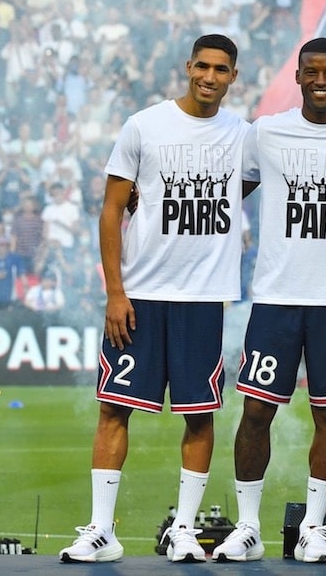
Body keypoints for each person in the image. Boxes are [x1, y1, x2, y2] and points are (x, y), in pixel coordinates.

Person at [59, 34, 249, 564]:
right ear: (188, 67)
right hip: (140, 295)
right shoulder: (144, 125)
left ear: (235, 77)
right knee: (114, 409)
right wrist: (114, 292)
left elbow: (264, 172)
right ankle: (101, 530)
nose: (210, 76)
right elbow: (110, 209)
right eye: (202, 66)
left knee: (199, 414)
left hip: (203, 297)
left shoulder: (244, 135)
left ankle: (184, 529)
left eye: (222, 69)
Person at [211, 38, 326, 563]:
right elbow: (228, 190)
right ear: (297, 77)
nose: (320, 79)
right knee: (255, 412)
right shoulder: (265, 132)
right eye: (311, 71)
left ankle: (314, 527)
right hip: (276, 298)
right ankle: (248, 526)